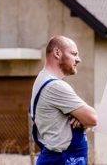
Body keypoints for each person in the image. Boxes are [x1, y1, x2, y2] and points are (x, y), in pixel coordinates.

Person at [30, 35, 97, 165]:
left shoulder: (42, 79)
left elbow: (85, 121)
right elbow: (93, 118)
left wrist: (81, 120)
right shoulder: (55, 86)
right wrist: (84, 119)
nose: (79, 59)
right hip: (61, 160)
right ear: (57, 53)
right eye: (74, 54)